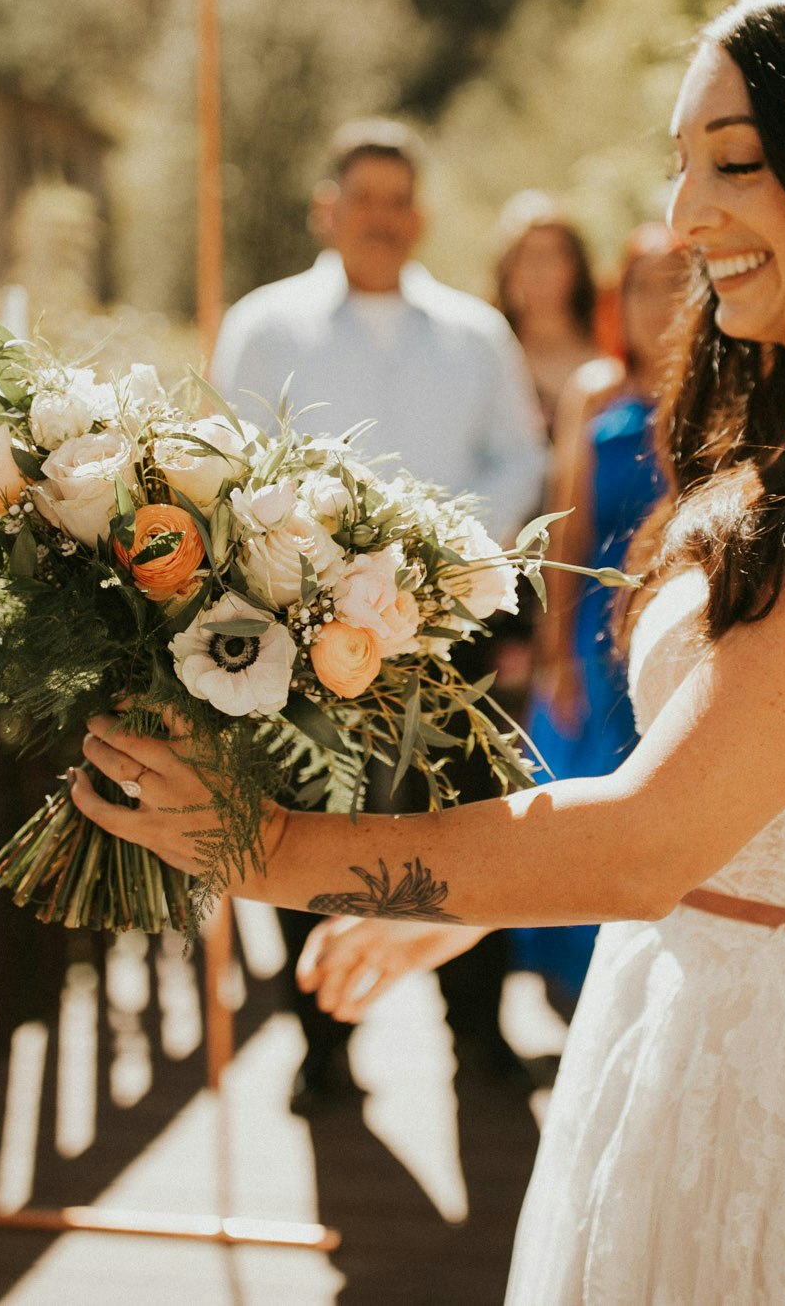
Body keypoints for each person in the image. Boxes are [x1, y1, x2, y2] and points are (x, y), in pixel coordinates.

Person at [89, 0, 785, 1304]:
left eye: (735, 164)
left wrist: (272, 850)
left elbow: (649, 838)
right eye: (679, 165)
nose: (683, 216)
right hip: (679, 1018)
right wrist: (459, 910)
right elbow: (717, 782)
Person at [212, 118, 548, 1109]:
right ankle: (322, 1048)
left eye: (399, 202)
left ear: (420, 217)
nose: (381, 219)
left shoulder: (474, 334)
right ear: (329, 209)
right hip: (304, 622)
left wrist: (437, 545)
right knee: (312, 825)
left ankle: (477, 1040)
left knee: (464, 821)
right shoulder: (266, 325)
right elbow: (231, 454)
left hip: (450, 620)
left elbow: (518, 453)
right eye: (363, 200)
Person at [514, 226, 687, 1011]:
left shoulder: (723, 395)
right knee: (579, 811)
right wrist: (554, 652)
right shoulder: (594, 389)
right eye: (647, 284)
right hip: (592, 637)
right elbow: (565, 528)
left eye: (681, 282)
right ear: (624, 298)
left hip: (679, 634)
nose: (664, 302)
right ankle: (583, 997)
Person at [493, 192, 605, 428]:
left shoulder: (609, 347)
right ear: (509, 268)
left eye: (554, 254)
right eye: (529, 255)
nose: (540, 269)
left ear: (575, 265)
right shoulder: (492, 354)